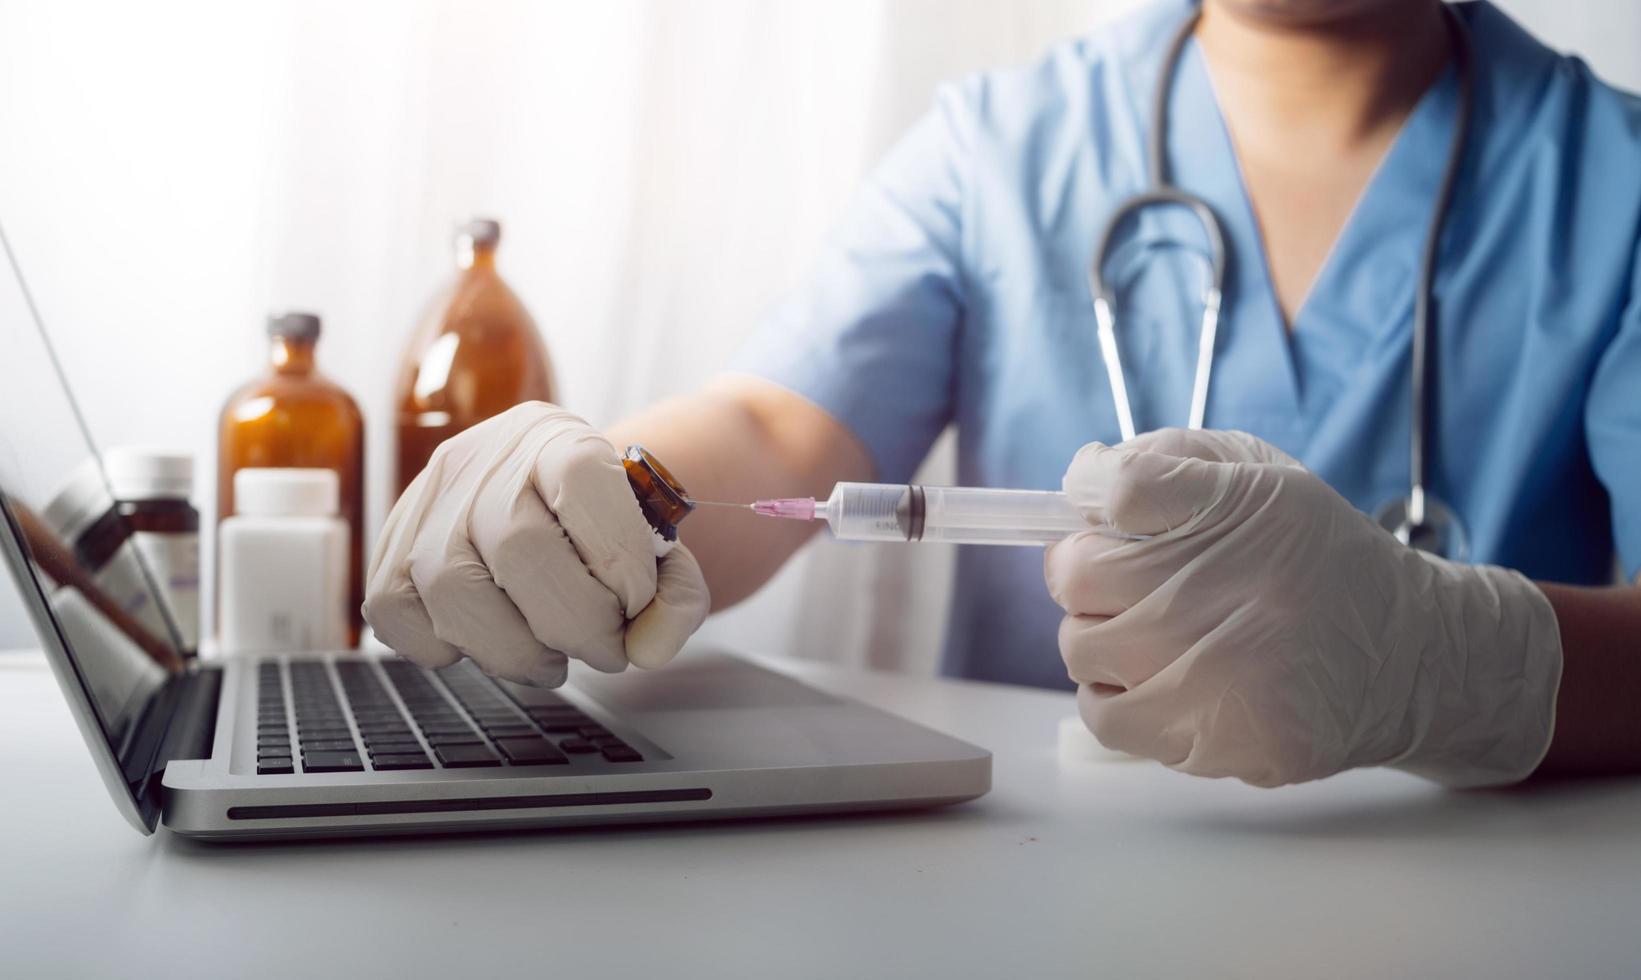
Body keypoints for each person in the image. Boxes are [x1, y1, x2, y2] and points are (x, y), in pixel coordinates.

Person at [365, 0, 1641, 788]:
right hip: (1046, 863)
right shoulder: (1004, 143)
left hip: (1482, 887)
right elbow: (774, 427)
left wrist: (1451, 663)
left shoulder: (1616, 177)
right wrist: (587, 480)